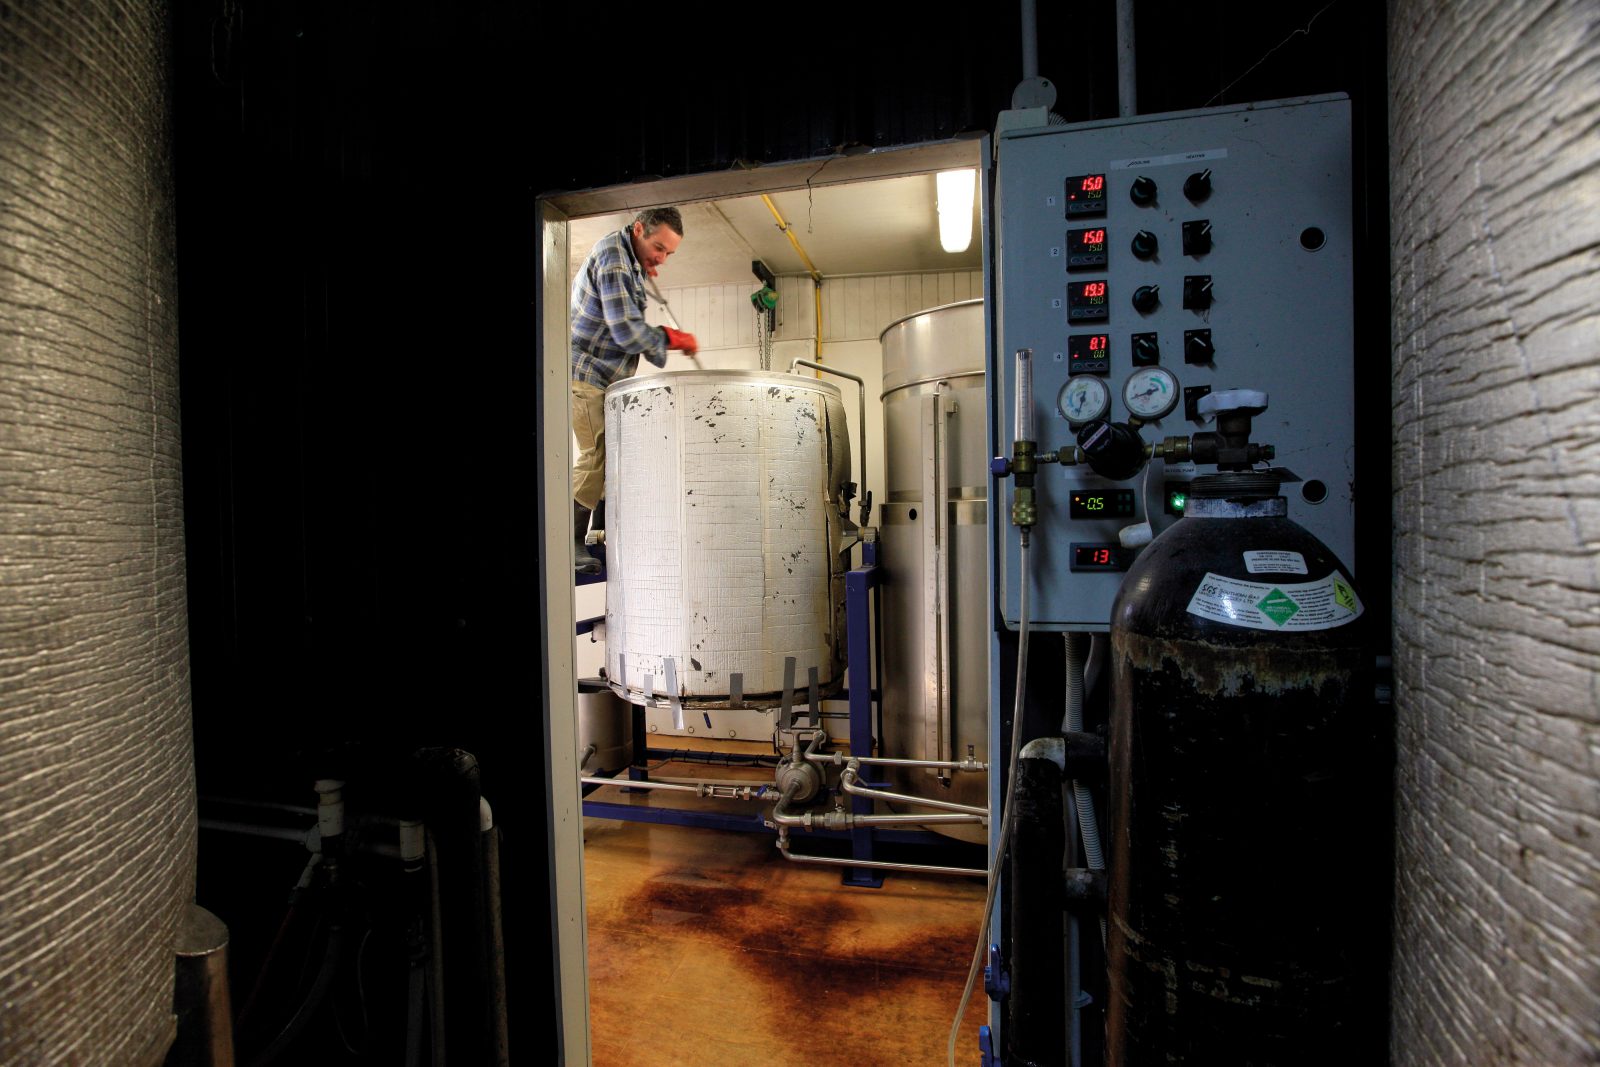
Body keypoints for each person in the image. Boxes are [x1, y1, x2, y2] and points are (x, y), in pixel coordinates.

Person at [570, 206, 698, 574]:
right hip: (586, 373)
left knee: (615, 455)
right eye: (658, 247)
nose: (661, 258)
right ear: (638, 228)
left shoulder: (628, 259)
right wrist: (671, 338)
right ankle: (570, 541)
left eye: (668, 254)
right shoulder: (613, 258)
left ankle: (601, 534)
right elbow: (626, 332)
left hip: (606, 380)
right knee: (597, 451)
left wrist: (644, 267)